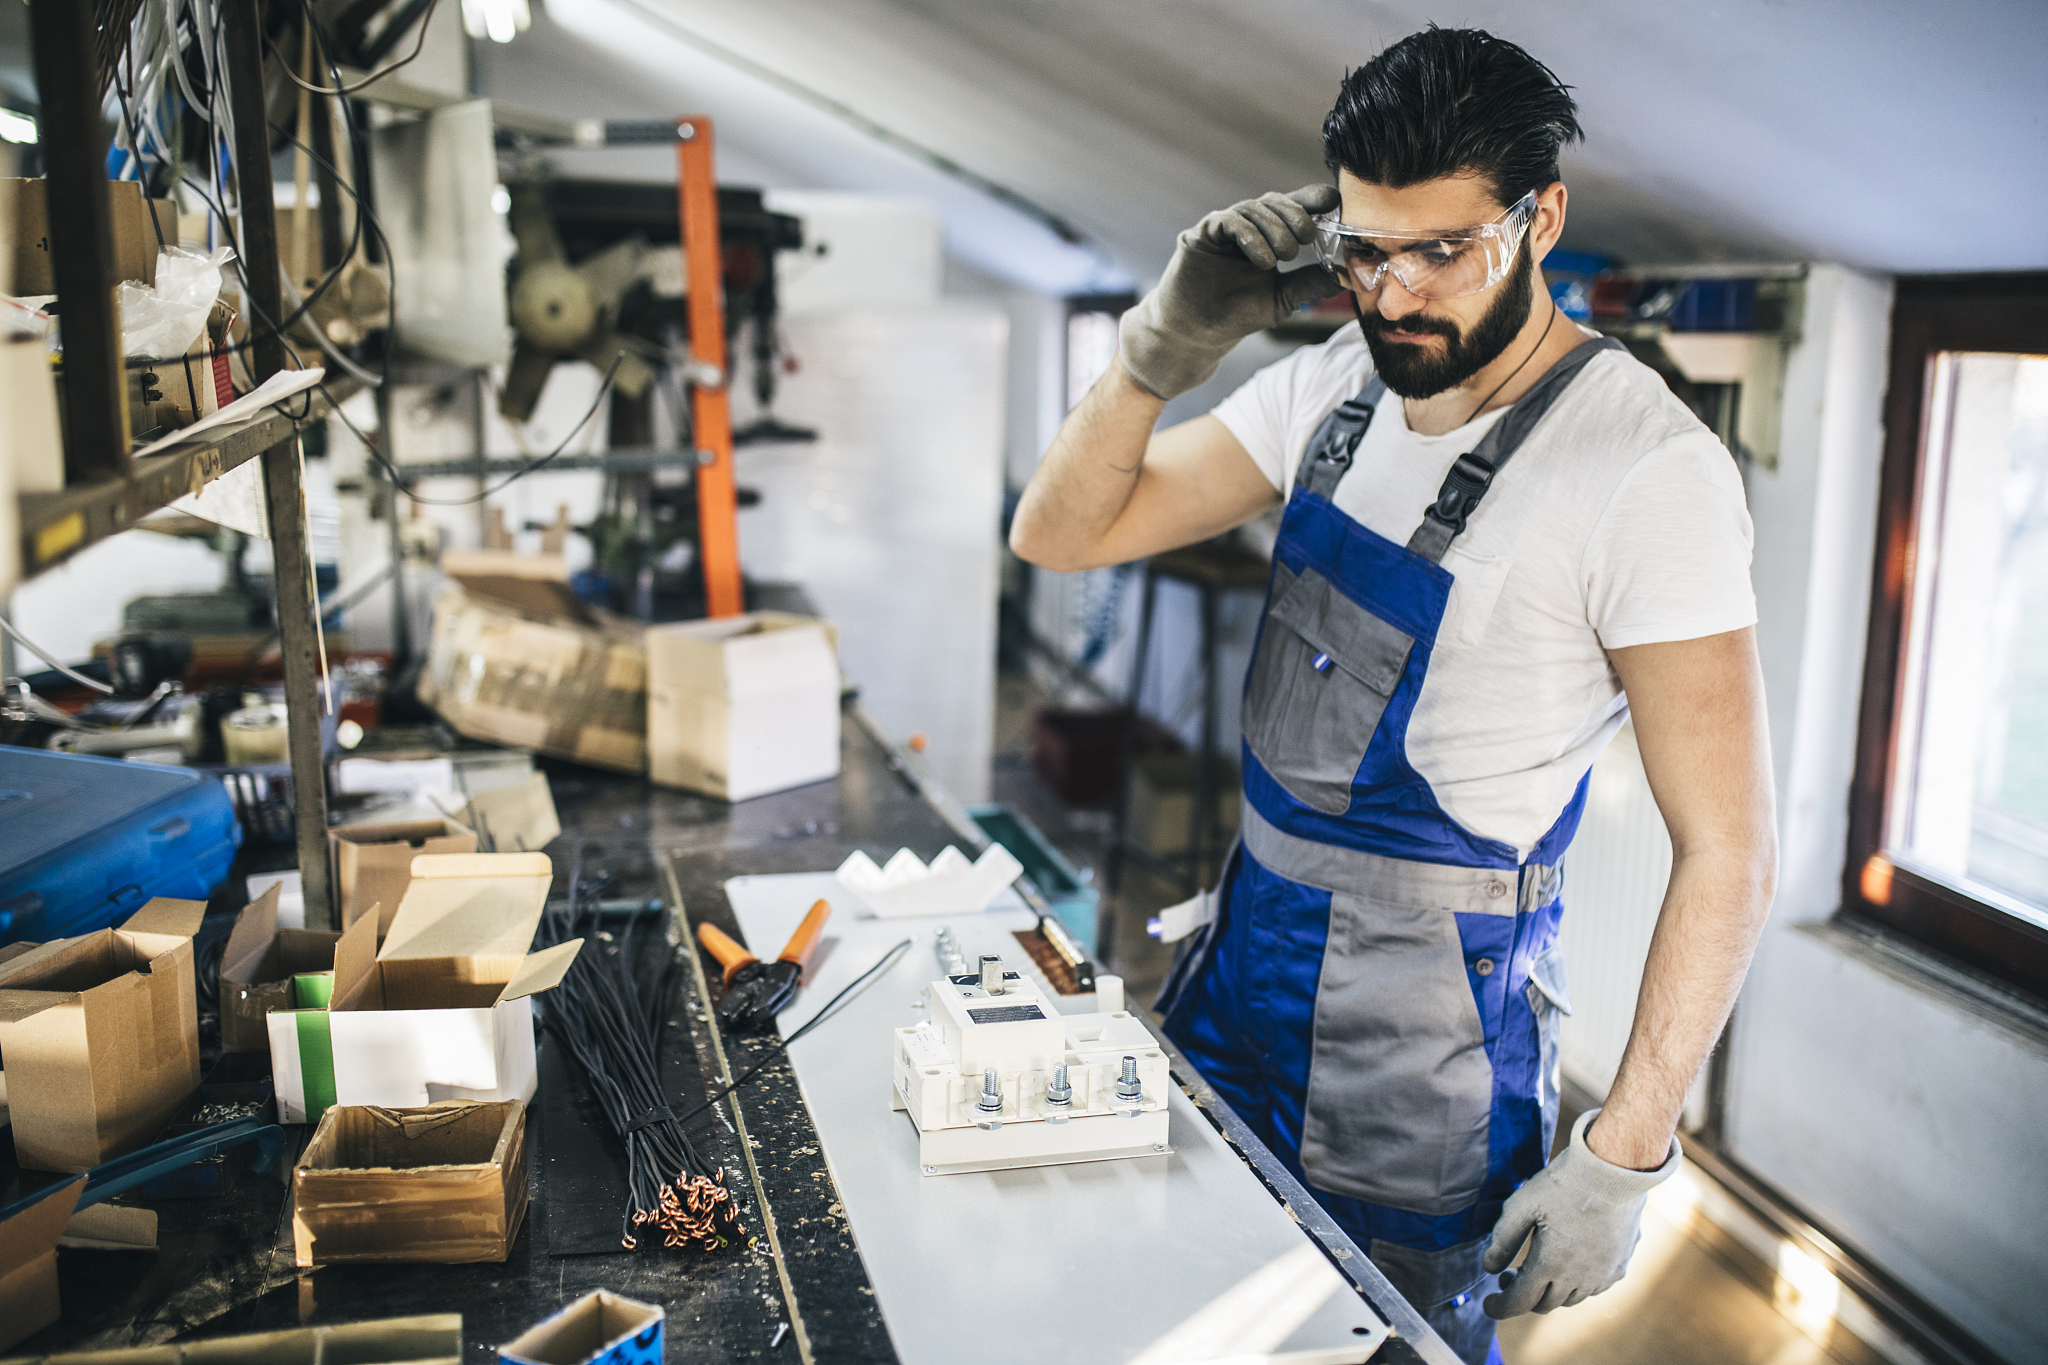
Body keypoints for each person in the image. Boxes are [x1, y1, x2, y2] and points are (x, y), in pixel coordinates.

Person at [1009, 26, 1778, 1365]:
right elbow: (1060, 534)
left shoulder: (1645, 470)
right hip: (1237, 975)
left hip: (1426, 1063)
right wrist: (1151, 354)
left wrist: (1630, 1147)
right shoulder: (1335, 388)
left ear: (1544, 217)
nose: (1398, 295)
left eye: (1444, 251)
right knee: (1176, 1307)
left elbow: (1733, 846)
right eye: (1366, 251)